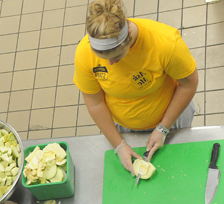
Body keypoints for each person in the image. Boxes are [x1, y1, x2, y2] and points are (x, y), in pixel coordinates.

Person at [73, 0, 198, 175]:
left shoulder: (165, 43)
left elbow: (188, 84)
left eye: (116, 57)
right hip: (124, 127)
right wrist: (119, 145)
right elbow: (95, 103)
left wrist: (163, 127)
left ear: (129, 36)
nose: (110, 63)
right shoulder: (84, 53)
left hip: (173, 118)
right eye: (103, 58)